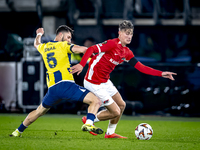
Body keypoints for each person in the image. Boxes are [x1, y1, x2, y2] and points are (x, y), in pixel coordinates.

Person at [70, 20, 177, 138]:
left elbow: (141, 67)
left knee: (121, 105)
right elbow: (91, 49)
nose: (129, 36)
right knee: (115, 112)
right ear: (119, 33)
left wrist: (161, 73)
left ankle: (109, 133)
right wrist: (81, 64)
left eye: (131, 33)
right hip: (93, 82)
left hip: (105, 81)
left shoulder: (126, 52)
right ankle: (90, 119)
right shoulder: (111, 44)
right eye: (126, 33)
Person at [10, 25, 103, 137]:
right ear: (60, 35)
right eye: (68, 37)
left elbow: (36, 44)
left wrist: (39, 34)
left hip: (53, 89)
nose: (69, 40)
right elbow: (84, 49)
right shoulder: (64, 45)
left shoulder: (45, 47)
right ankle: (88, 124)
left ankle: (17, 131)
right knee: (96, 100)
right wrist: (93, 56)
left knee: (39, 111)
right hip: (66, 85)